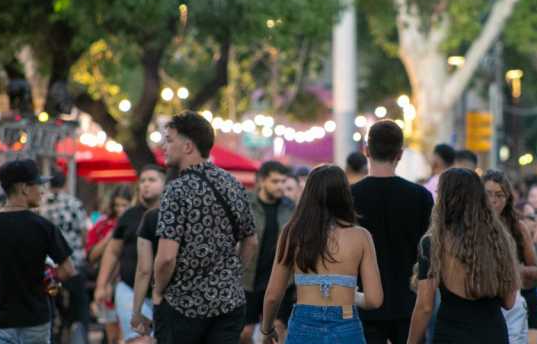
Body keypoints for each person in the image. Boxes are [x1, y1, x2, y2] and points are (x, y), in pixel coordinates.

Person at [153, 111, 258, 343]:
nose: (164, 146)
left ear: (188, 147)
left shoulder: (176, 190)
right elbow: (251, 241)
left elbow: (166, 258)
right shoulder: (233, 184)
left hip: (183, 306)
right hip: (229, 304)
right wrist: (231, 276)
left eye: (169, 140)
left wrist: (158, 290)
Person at [260, 165, 383, 343]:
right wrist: (351, 294)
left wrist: (267, 329)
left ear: (308, 195)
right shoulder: (361, 236)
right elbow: (374, 300)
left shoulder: (292, 233)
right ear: (345, 195)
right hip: (346, 324)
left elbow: (272, 295)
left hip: (303, 325)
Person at [0, 159, 76, 344]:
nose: (42, 191)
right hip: (35, 318)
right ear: (25, 188)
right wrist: (50, 279)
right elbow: (68, 269)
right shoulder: (44, 227)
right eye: (39, 184)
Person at [408, 168, 520, 343]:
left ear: (445, 199)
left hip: (451, 335)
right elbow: (509, 302)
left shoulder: (434, 243)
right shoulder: (500, 239)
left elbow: (425, 306)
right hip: (492, 334)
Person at [349, 120, 433, 344]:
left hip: (361, 301)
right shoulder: (420, 196)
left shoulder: (349, 196)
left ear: (366, 150)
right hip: (410, 302)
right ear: (400, 154)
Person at [95, 165, 166, 342]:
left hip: (165, 293)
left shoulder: (172, 215)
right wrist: (101, 285)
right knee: (140, 341)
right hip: (129, 288)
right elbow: (112, 251)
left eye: (152, 180)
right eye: (142, 181)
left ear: (165, 184)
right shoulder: (128, 216)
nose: (146, 185)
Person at [241, 161, 297, 344]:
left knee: (277, 331)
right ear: (262, 181)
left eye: (283, 181)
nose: (280, 186)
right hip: (249, 278)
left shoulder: (290, 208)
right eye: (275, 181)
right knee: (245, 333)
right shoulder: (246, 203)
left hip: (281, 280)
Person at [482, 170, 537, 344]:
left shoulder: (518, 227)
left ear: (508, 198)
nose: (493, 201)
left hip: (511, 306)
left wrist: (512, 271)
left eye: (499, 195)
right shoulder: (471, 226)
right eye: (488, 194)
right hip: (479, 306)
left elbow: (536, 271)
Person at [37, 170, 89, 344]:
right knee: (78, 306)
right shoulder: (75, 203)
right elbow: (84, 234)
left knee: (52, 304)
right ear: (66, 183)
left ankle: (55, 337)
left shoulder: (41, 205)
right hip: (74, 264)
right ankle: (77, 337)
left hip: (50, 268)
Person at [86, 188, 130, 344]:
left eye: (125, 205)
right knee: (112, 335)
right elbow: (91, 256)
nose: (120, 210)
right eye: (117, 205)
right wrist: (111, 236)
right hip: (107, 286)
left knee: (127, 335)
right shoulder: (102, 225)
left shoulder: (138, 222)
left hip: (130, 285)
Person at [130, 206, 160, 342]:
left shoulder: (154, 216)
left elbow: (144, 269)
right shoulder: (215, 210)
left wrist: (136, 313)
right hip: (221, 301)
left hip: (169, 302)